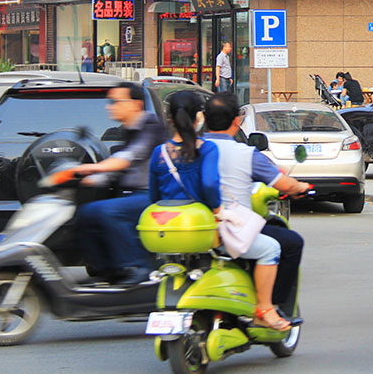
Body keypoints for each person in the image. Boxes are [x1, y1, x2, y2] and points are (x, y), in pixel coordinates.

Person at [150, 91, 292, 331]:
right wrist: (218, 211)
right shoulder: (205, 149)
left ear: (169, 118)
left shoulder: (159, 153)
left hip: (167, 228)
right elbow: (208, 184)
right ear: (199, 117)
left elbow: (153, 196)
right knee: (271, 248)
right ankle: (265, 308)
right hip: (202, 228)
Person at [202, 93, 310, 319]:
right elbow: (283, 184)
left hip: (196, 228)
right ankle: (271, 306)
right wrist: (299, 187)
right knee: (290, 243)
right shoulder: (244, 153)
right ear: (237, 121)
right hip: (230, 227)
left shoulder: (189, 149)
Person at [73, 82, 167, 285]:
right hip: (129, 193)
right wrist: (91, 180)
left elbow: (128, 158)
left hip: (151, 196)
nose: (110, 107)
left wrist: (91, 169)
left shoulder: (151, 128)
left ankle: (138, 267)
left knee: (109, 212)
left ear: (136, 104)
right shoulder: (128, 130)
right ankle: (106, 270)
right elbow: (121, 169)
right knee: (86, 213)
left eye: (116, 102)